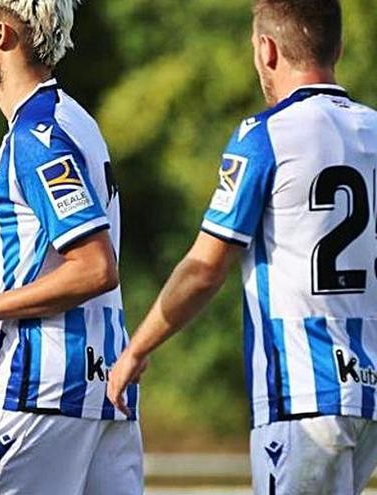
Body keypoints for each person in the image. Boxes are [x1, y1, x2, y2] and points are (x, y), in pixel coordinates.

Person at [108, 1, 377, 493]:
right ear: (337, 47)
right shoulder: (373, 130)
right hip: (369, 395)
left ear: (266, 49)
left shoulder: (265, 135)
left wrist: (136, 348)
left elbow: (204, 268)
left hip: (301, 394)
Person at [0, 1, 142, 493]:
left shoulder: (37, 136)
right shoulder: (77, 120)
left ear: (4, 36)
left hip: (41, 391)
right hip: (104, 392)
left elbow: (95, 266)